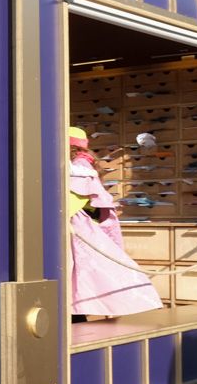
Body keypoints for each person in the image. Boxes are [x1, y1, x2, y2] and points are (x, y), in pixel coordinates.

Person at [67, 126, 164, 318]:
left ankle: (77, 326)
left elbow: (72, 202)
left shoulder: (80, 166)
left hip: (77, 232)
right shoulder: (84, 164)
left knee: (80, 282)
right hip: (82, 231)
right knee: (82, 284)